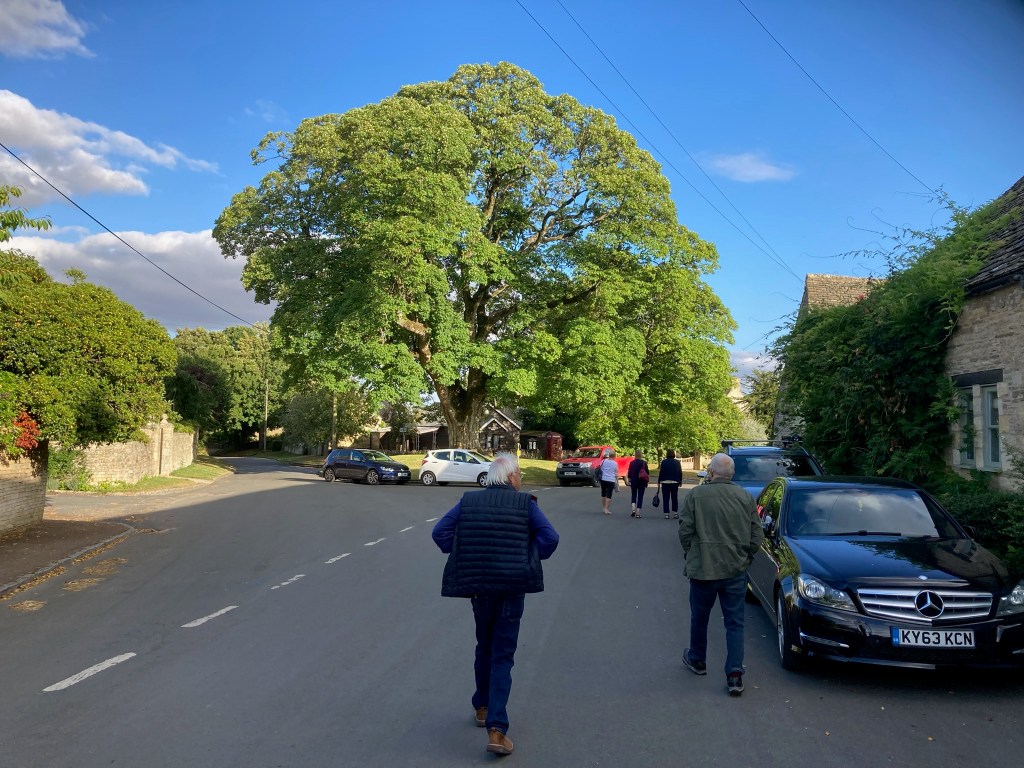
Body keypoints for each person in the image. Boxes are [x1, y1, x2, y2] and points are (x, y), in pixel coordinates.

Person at [432, 453, 560, 756]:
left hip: (480, 588)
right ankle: (497, 730)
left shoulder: (469, 501)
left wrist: (461, 551)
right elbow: (550, 538)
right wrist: (528, 558)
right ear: (511, 476)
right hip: (511, 589)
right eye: (520, 475)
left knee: (484, 646)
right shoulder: (525, 504)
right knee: (503, 655)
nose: (521, 480)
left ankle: (482, 706)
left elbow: (440, 533)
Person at [677, 452, 764, 697]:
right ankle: (735, 673)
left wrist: (691, 554)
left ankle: (697, 659)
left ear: (711, 472)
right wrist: (745, 558)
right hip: (735, 569)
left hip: (703, 569)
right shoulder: (745, 497)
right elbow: (756, 535)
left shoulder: (696, 495)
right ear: (732, 474)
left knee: (699, 617)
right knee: (735, 622)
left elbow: (685, 530)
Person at [658, 449, 683, 520]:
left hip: (665, 482)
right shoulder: (677, 462)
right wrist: (680, 481)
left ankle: (666, 513)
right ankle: (675, 513)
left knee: (666, 498)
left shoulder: (664, 462)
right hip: (675, 482)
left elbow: (661, 472)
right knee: (674, 497)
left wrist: (659, 481)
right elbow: (680, 472)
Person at [626, 449, 650, 518]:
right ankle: (638, 512)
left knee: (633, 495)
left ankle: (633, 509)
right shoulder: (644, 463)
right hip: (642, 481)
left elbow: (629, 473)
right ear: (641, 455)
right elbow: (647, 473)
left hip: (633, 481)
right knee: (640, 496)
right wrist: (647, 481)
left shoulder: (632, 463)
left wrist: (629, 480)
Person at [597, 448, 618, 515]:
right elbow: (616, 473)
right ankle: (606, 509)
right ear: (614, 456)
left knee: (603, 493)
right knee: (609, 494)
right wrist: (616, 481)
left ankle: (604, 508)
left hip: (603, 479)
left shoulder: (603, 461)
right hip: (611, 480)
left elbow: (600, 468)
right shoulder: (615, 463)